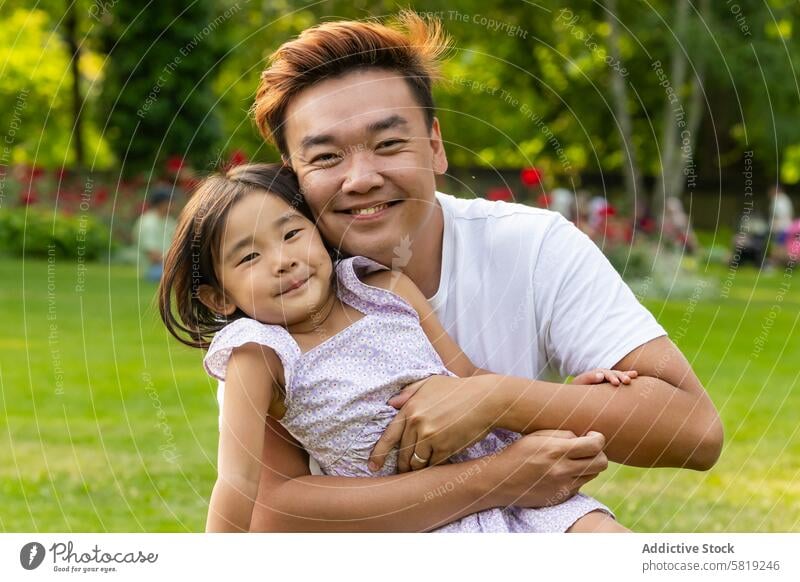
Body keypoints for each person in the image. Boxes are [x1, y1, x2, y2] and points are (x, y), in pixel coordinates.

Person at [218, 11, 720, 532]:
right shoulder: (283, 295)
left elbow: (696, 431)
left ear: (434, 145)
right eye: (325, 156)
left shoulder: (532, 245)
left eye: (388, 144)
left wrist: (494, 398)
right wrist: (499, 477)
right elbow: (272, 512)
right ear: (292, 173)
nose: (361, 178)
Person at [159, 163, 645, 532]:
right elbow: (240, 481)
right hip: (414, 520)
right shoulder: (259, 352)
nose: (283, 261)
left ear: (318, 232)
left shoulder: (384, 289)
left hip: (522, 493)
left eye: (291, 233)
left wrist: (568, 404)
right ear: (219, 297)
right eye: (249, 256)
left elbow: (471, 379)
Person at [133, 187, 177, 282]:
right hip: (153, 269)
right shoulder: (148, 223)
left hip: (169, 264)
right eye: (171, 202)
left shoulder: (170, 221)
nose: (174, 205)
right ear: (162, 203)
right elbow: (153, 256)